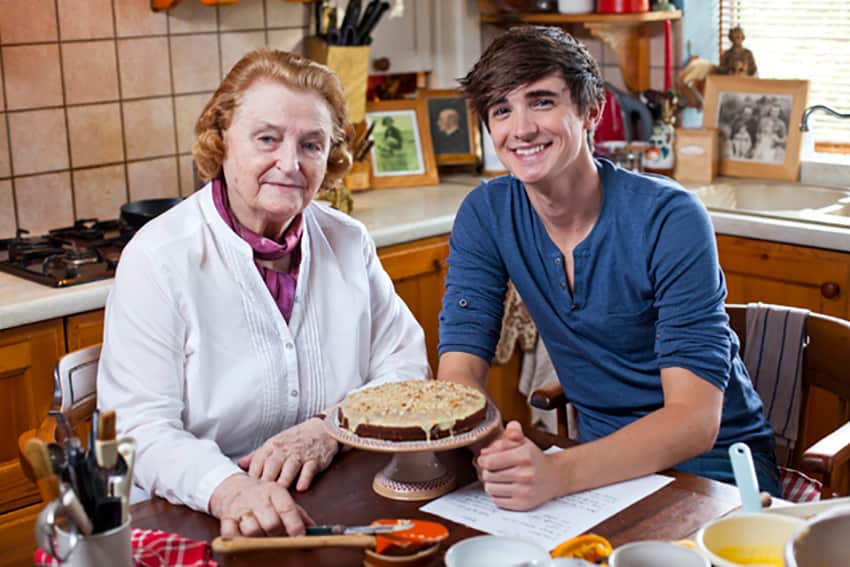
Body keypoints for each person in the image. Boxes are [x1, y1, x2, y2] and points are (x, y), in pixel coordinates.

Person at [437, 26, 780, 512]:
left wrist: (556, 472)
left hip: (715, 462)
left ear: (591, 110)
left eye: (541, 101)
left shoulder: (669, 217)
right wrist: (498, 453)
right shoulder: (485, 214)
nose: (521, 129)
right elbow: (458, 372)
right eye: (501, 110)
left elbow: (694, 421)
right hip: (593, 461)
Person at [97, 48, 429, 537]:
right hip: (197, 516)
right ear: (222, 139)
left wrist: (331, 427)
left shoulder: (348, 241)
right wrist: (229, 488)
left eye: (311, 145)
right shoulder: (159, 258)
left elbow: (404, 369)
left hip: (331, 499)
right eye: (267, 139)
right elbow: (139, 429)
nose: (289, 163)